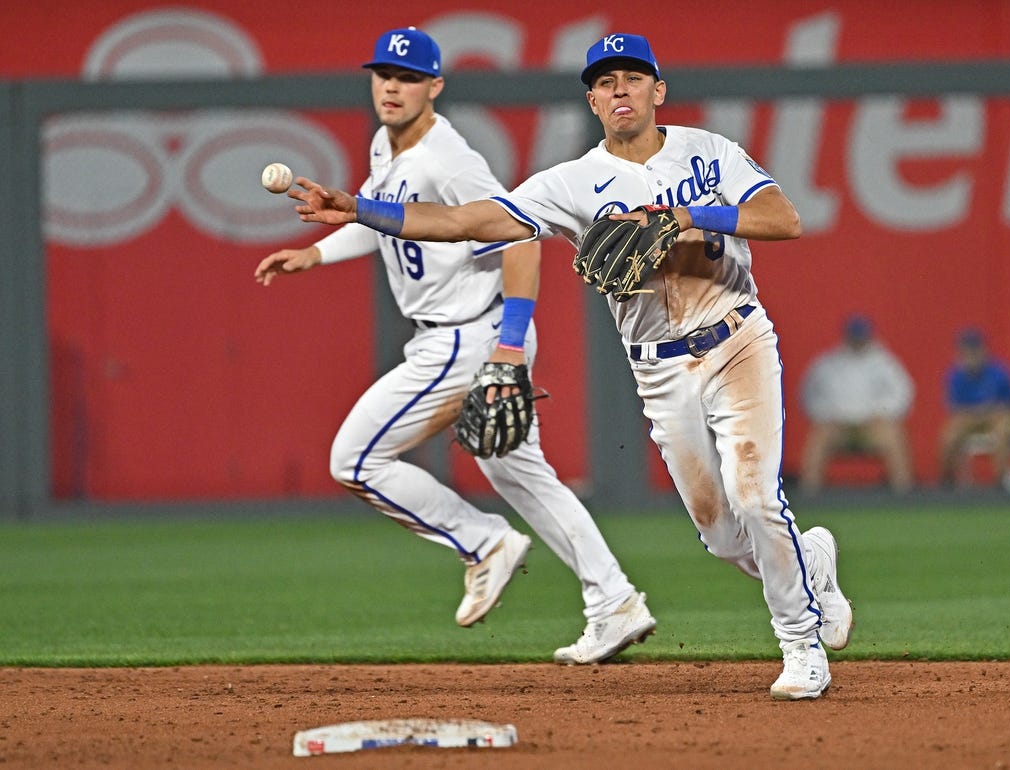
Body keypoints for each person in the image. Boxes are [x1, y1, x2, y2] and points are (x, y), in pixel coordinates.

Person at [289, 32, 853, 700]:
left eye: (633, 78)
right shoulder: (572, 182)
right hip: (659, 369)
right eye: (606, 82)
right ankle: (810, 561)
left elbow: (782, 218)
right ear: (592, 99)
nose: (621, 90)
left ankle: (800, 646)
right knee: (725, 536)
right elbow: (469, 220)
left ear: (657, 90)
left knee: (757, 498)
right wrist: (360, 210)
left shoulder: (707, 151)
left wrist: (686, 216)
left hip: (736, 339)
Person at [255, 27, 656, 665]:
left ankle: (483, 542)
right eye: (384, 73)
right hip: (463, 337)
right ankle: (614, 601)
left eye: (409, 77)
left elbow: (521, 239)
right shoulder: (387, 147)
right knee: (524, 477)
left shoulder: (449, 160)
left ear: (434, 87)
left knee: (355, 461)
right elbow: (388, 224)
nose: (392, 85)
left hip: (470, 338)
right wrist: (317, 253)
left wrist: (507, 348)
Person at [799, 315, 915, 495]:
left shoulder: (885, 363)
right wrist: (824, 415)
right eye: (854, 335)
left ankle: (904, 495)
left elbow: (902, 393)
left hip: (872, 427)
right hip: (838, 427)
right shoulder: (828, 363)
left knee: (894, 436)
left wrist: (884, 414)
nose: (857, 340)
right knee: (819, 438)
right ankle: (810, 494)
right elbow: (809, 393)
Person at [939, 328, 1010, 489]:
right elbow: (955, 409)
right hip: (971, 420)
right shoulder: (955, 375)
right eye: (966, 350)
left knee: (1002, 429)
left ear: (983, 350)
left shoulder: (999, 372)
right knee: (950, 434)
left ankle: (1000, 482)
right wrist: (978, 414)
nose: (971, 354)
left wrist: (989, 413)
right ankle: (947, 482)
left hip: (1001, 420)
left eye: (974, 349)